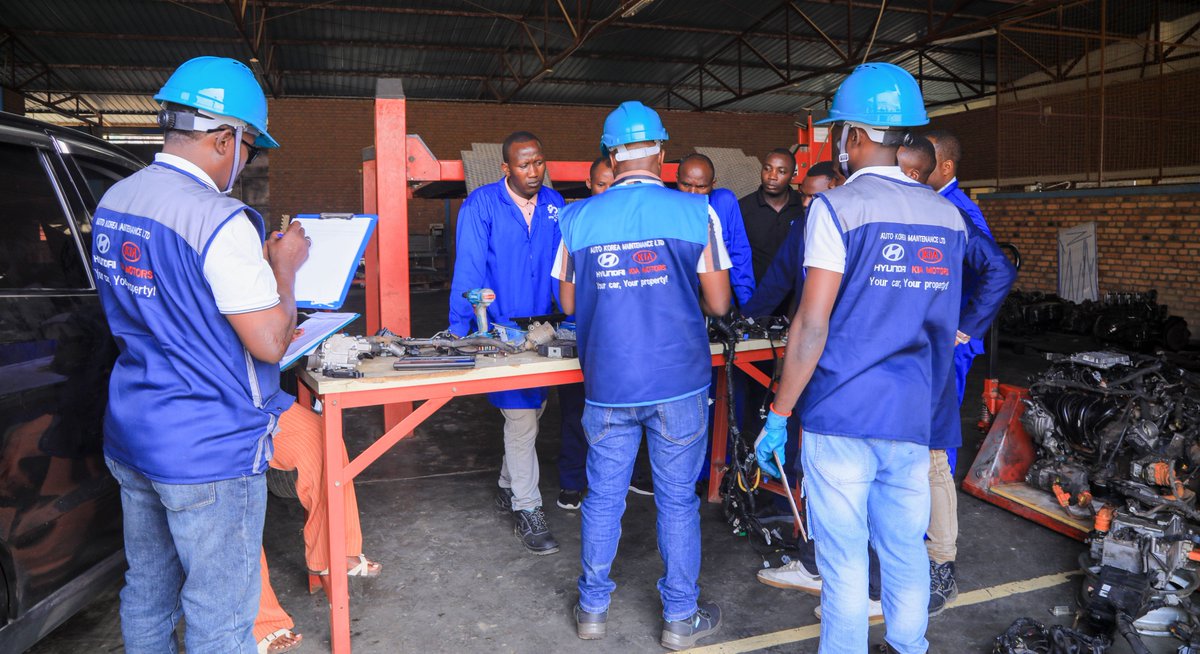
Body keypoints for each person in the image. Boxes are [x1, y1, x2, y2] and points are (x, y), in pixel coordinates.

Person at [753, 62, 1015, 653]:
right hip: (914, 413)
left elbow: (811, 323)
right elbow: (964, 289)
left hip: (841, 410)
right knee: (903, 549)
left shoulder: (835, 209)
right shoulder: (947, 216)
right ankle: (909, 646)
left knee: (844, 563)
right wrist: (961, 334)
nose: (840, 142)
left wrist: (777, 413)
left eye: (842, 130)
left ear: (858, 136)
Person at [92, 56, 308, 653]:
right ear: (224, 138)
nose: (245, 162)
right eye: (249, 148)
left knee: (148, 591)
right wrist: (283, 269)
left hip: (135, 431)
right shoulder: (219, 217)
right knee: (221, 615)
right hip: (209, 449)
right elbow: (269, 340)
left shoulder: (117, 198)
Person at [554, 101, 732, 651]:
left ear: (611, 153)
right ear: (661, 150)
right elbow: (721, 303)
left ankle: (592, 610)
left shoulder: (578, 217)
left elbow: (566, 300)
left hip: (608, 382)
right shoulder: (696, 213)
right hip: (678, 380)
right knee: (677, 499)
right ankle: (680, 619)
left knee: (603, 496)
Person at [449, 131, 565, 555]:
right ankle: (527, 508)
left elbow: (563, 266)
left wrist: (569, 322)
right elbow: (470, 266)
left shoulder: (555, 205)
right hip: (500, 330)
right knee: (521, 420)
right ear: (506, 168)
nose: (533, 172)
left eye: (538, 163)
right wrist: (460, 332)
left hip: (545, 328)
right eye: (523, 165)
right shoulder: (482, 203)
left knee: (534, 410)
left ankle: (505, 485)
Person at [922, 128, 999, 614]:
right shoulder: (936, 206)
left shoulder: (958, 211)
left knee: (939, 443)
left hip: (951, 345)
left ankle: (940, 557)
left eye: (921, 161)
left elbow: (997, 271)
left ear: (945, 167)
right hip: (934, 340)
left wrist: (966, 329)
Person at [254, 402, 383, 653]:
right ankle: (260, 621)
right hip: (203, 407)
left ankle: (333, 551)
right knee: (227, 497)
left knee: (321, 438)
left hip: (251, 395)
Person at [556, 157, 613, 511]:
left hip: (621, 340)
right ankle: (573, 480)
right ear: (588, 185)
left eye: (613, 183)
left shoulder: (632, 223)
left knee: (616, 418)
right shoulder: (574, 224)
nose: (606, 191)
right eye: (600, 184)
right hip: (587, 334)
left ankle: (612, 484)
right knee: (577, 411)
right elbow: (567, 302)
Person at [677, 153, 755, 307]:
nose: (692, 192)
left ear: (713, 184)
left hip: (721, 300)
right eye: (686, 184)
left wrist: (747, 307)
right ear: (676, 179)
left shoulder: (724, 201)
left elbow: (739, 254)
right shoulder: (667, 204)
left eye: (701, 187)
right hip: (682, 301)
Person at [739, 148, 806, 284]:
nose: (772, 176)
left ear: (793, 175)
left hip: (793, 293)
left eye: (781, 171)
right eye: (767, 169)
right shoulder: (742, 207)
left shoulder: (803, 206)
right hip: (755, 294)